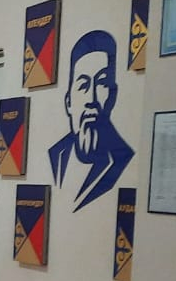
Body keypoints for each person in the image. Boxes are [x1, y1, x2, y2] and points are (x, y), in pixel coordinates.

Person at [48, 29, 135, 212]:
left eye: (102, 83)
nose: (91, 99)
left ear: (113, 96)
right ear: (68, 102)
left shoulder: (122, 158)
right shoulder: (56, 154)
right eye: (83, 85)